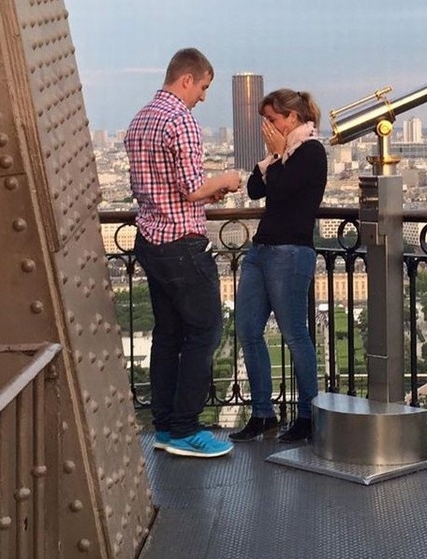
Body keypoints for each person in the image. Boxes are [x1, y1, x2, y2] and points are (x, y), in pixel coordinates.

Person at [124, 48, 241, 458]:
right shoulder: (181, 120)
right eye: (204, 87)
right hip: (181, 241)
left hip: (150, 239)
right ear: (187, 79)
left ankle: (166, 425)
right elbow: (191, 189)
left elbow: (155, 187)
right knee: (206, 331)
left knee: (168, 335)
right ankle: (187, 429)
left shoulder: (141, 119)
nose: (204, 97)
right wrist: (225, 179)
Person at [229, 88, 328, 443]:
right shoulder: (283, 154)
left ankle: (307, 415)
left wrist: (276, 154)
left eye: (272, 120)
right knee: (248, 331)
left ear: (292, 118)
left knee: (294, 335)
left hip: (290, 251)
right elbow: (256, 188)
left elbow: (282, 190)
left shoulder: (312, 152)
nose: (266, 127)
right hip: (262, 250)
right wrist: (274, 155)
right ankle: (262, 413)